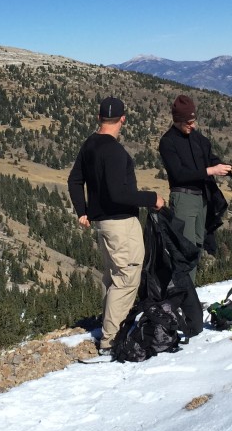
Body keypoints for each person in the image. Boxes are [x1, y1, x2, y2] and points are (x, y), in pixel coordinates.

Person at [68, 97, 166, 355]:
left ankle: (109, 328)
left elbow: (74, 180)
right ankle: (111, 341)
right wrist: (152, 198)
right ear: (123, 118)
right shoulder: (114, 151)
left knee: (112, 277)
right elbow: (119, 195)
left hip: (103, 224)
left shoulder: (89, 145)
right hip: (121, 223)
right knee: (126, 279)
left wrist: (83, 211)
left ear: (98, 117)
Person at [157, 94, 232, 318]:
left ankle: (190, 298)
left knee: (195, 249)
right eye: (188, 122)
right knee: (184, 250)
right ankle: (180, 301)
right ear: (177, 120)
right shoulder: (168, 142)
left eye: (193, 121)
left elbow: (212, 158)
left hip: (201, 199)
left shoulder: (198, 139)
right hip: (183, 197)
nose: (192, 125)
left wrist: (230, 169)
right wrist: (209, 171)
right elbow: (178, 174)